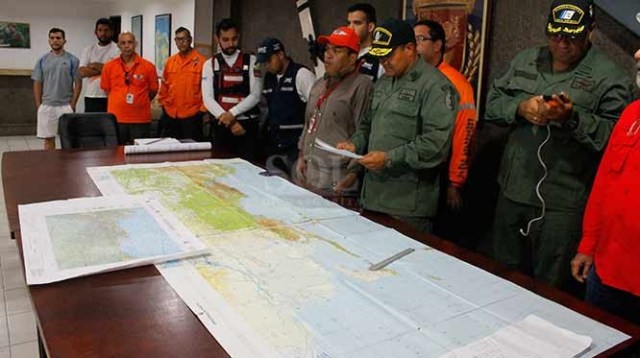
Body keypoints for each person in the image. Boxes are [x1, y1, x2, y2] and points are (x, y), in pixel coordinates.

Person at [484, 0, 633, 289]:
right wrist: (520, 107)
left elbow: (616, 141)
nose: (562, 43)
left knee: (551, 290)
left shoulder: (610, 76)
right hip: (513, 193)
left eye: (572, 36)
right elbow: (491, 103)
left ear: (591, 32)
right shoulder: (526, 59)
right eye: (555, 35)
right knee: (500, 280)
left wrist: (572, 118)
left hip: (562, 204)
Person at [337, 19, 458, 233]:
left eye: (389, 55)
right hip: (373, 197)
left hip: (407, 206)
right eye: (380, 56)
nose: (383, 61)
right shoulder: (383, 83)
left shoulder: (435, 86)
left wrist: (389, 158)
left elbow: (435, 145)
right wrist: (355, 144)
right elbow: (367, 124)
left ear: (410, 49)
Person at [570, 48, 640, 324]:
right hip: (607, 272)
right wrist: (589, 244)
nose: (636, 54)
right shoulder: (632, 113)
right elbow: (605, 184)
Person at [414, 20, 478, 242]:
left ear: (438, 44)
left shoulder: (457, 84)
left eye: (420, 40)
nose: (415, 46)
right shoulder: (411, 77)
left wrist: (455, 182)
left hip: (439, 173)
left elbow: (464, 134)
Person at [296, 26, 373, 195]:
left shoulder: (362, 86)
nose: (327, 55)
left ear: (352, 57)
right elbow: (309, 122)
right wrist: (302, 155)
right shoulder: (319, 84)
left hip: (338, 178)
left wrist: (352, 174)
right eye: (327, 49)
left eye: (336, 51)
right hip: (310, 172)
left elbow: (365, 131)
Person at [202, 18, 262, 160]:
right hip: (221, 126)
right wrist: (231, 121)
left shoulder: (253, 61)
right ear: (217, 39)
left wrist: (232, 114)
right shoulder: (209, 64)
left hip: (247, 125)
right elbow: (207, 99)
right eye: (226, 39)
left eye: (234, 39)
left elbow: (256, 95)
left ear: (239, 36)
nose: (230, 44)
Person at [256, 37, 315, 174]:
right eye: (264, 63)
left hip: (296, 149)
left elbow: (317, 111)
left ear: (281, 55)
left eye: (269, 61)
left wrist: (305, 148)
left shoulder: (302, 75)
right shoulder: (269, 78)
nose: (267, 66)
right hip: (274, 147)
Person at [101, 32, 159, 144]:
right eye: (123, 43)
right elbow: (107, 89)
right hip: (116, 118)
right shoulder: (109, 67)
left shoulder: (148, 67)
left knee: (141, 155)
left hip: (140, 119)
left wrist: (139, 101)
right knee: (116, 154)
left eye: (130, 42)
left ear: (135, 44)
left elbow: (153, 90)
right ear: (118, 46)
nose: (126, 46)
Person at [32, 28, 82, 150]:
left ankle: (67, 166)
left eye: (58, 38)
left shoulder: (73, 60)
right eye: (52, 38)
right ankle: (50, 165)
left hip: (65, 106)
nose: (55, 41)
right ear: (49, 40)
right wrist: (39, 105)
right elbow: (37, 83)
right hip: (47, 106)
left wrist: (73, 104)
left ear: (64, 41)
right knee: (48, 139)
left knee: (68, 138)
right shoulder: (41, 60)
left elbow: (78, 83)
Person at [157, 27, 206, 141]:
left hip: (192, 116)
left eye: (184, 39)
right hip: (171, 114)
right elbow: (164, 86)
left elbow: (207, 89)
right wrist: (163, 104)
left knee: (192, 152)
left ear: (190, 40)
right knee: (171, 150)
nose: (181, 42)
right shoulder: (171, 61)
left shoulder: (202, 62)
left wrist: (202, 111)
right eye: (178, 39)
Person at [78, 18, 120, 113]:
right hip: (91, 95)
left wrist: (94, 65)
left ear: (112, 32)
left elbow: (117, 71)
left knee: (109, 126)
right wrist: (107, 68)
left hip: (110, 95)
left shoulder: (118, 50)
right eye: (100, 30)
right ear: (95, 32)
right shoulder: (89, 50)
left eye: (106, 30)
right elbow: (82, 72)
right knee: (91, 126)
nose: (103, 33)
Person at [347, 3, 385, 81]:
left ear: (370, 27)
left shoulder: (380, 60)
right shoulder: (344, 53)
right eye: (349, 23)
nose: (350, 28)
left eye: (357, 23)